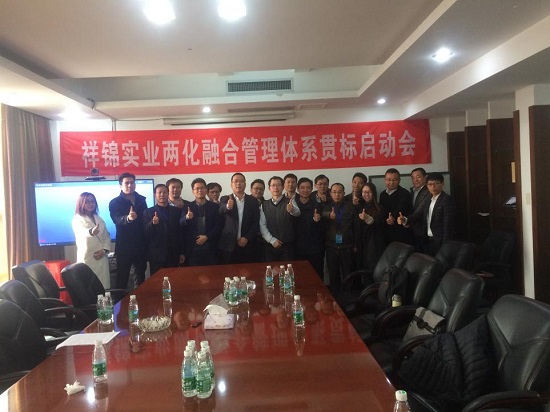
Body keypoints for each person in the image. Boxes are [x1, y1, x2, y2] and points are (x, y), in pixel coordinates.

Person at [398, 172, 456, 256]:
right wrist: (405, 219)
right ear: (427, 185)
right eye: (430, 184)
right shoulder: (428, 198)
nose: (433, 186)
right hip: (427, 240)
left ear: (442, 184)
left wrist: (446, 245)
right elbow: (418, 214)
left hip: (440, 241)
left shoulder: (446, 200)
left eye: (436, 183)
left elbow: (448, 225)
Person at [109, 172, 148, 288]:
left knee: (140, 277)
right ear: (120, 186)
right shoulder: (114, 202)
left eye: (132, 182)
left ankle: (140, 298)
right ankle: (120, 300)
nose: (130, 185)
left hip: (140, 245)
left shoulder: (141, 200)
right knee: (122, 277)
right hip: (124, 245)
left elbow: (145, 219)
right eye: (127, 183)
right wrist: (128, 218)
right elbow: (116, 219)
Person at [322, 183, 358, 297]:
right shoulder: (326, 207)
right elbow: (322, 215)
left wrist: (355, 244)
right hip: (331, 246)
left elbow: (356, 227)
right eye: (334, 192)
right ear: (330, 193)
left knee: (348, 273)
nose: (337, 195)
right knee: (333, 274)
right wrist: (329, 215)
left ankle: (348, 297)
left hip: (347, 246)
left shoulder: (351, 207)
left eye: (339, 192)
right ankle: (335, 297)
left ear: (343, 193)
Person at [143, 184, 186, 275]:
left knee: (174, 278)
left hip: (173, 253)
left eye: (164, 192)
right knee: (157, 280)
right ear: (155, 194)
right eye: (159, 193)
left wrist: (182, 252)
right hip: (156, 255)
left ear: (168, 193)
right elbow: (145, 233)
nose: (162, 195)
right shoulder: (148, 212)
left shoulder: (176, 211)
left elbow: (181, 233)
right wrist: (152, 224)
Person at [72, 192, 112, 289]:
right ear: (81, 203)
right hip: (88, 258)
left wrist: (104, 250)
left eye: (93, 201)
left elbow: (106, 236)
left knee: (104, 286)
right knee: (89, 287)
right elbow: (81, 231)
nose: (91, 204)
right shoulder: (77, 219)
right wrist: (91, 231)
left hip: (102, 257)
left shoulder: (99, 218)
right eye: (87, 202)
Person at [218, 173, 260, 264]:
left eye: (241, 181)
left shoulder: (253, 201)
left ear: (245, 184)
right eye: (235, 181)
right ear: (231, 184)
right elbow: (221, 210)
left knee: (248, 271)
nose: (238, 184)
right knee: (229, 271)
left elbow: (256, 222)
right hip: (229, 245)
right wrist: (228, 206)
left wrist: (247, 237)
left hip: (247, 244)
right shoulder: (225, 199)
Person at [182, 178, 223, 266]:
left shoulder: (215, 207)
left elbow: (219, 225)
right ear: (193, 191)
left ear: (206, 190)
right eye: (197, 188)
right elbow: (181, 223)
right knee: (194, 273)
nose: (200, 190)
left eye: (202, 188)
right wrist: (186, 217)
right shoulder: (187, 206)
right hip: (193, 248)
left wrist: (207, 236)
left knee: (212, 272)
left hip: (211, 247)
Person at [260, 176, 301, 262]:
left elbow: (297, 212)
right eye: (273, 185)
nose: (276, 188)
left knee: (287, 269)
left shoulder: (290, 201)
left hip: (287, 246)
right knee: (271, 269)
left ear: (283, 187)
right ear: (269, 188)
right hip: (270, 245)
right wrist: (272, 240)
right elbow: (262, 225)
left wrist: (292, 209)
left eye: (278, 185)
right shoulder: (264, 204)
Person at [294, 177, 325, 278]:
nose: (305, 190)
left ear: (312, 189)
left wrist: (318, 220)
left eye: (308, 188)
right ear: (298, 189)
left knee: (316, 274)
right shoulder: (293, 204)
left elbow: (324, 226)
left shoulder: (318, 204)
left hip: (315, 247)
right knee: (299, 275)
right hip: (297, 247)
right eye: (302, 188)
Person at [356, 183, 386, 273]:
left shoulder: (379, 208)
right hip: (361, 243)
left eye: (369, 192)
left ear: (373, 193)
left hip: (374, 244)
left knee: (372, 268)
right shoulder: (359, 207)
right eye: (364, 192)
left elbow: (379, 224)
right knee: (362, 268)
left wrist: (368, 218)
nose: (366, 194)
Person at [379, 168, 413, 245]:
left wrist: (393, 218)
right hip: (386, 233)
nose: (391, 182)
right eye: (388, 180)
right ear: (385, 180)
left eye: (395, 180)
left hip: (401, 233)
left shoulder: (405, 193)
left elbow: (401, 209)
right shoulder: (382, 194)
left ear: (399, 180)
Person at [409, 167, 430, 251]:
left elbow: (420, 212)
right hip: (413, 230)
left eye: (418, 177)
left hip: (424, 231)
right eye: (413, 178)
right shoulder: (412, 191)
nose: (415, 180)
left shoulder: (429, 191)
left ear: (425, 177)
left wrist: (406, 220)